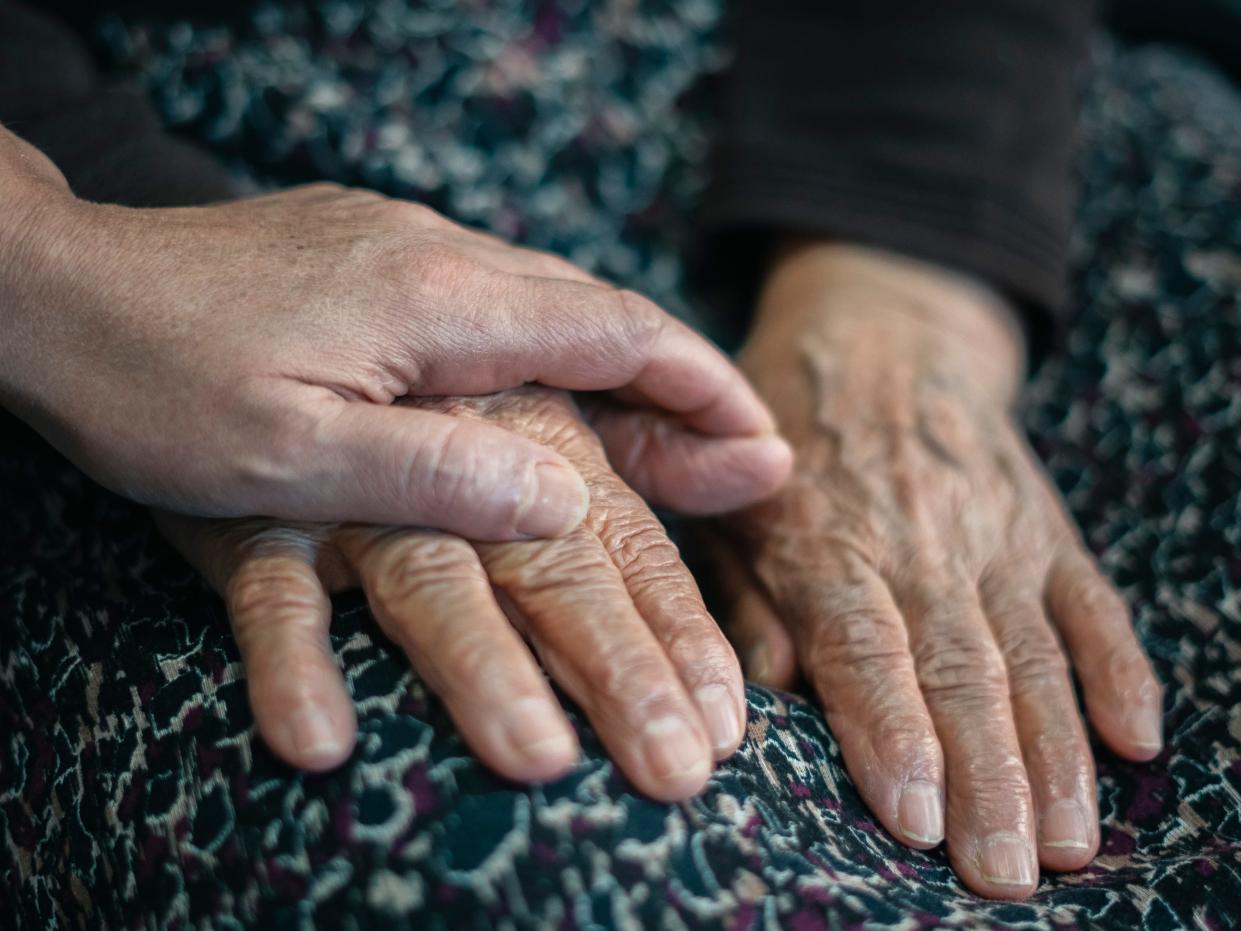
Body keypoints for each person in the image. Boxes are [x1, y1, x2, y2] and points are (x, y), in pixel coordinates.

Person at [3, 0, 1213, 921]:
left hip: (872, 100)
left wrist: (904, 289)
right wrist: (74, 261)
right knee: (517, 842)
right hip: (136, 196)